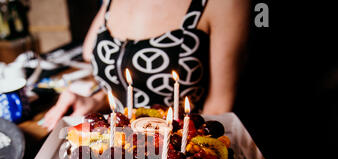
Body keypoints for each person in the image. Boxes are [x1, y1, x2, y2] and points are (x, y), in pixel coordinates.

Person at [43, 0, 249, 130]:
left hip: (178, 153)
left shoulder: (224, 3)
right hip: (115, 143)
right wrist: (96, 101)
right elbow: (96, 57)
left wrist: (149, 149)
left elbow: (219, 110)